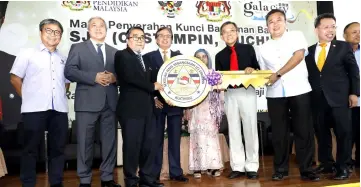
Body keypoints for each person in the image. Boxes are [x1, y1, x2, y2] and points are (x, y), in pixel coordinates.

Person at [258, 9, 319, 181]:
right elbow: (263, 73)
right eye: (271, 21)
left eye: (279, 20)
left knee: (303, 130)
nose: (275, 24)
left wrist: (277, 74)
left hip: (299, 89)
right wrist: (252, 73)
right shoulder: (262, 47)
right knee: (279, 133)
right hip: (275, 94)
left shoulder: (296, 36)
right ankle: (281, 169)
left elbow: (298, 56)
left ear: (285, 23)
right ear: (266, 26)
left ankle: (307, 169)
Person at [10, 19, 69, 187]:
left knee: (58, 149)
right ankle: (28, 183)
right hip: (34, 110)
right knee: (30, 149)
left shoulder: (63, 58)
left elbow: (66, 83)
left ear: (61, 36)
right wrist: (28, 97)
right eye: (49, 30)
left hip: (59, 109)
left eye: (57, 32)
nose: (53, 35)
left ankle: (56, 182)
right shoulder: (27, 53)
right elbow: (15, 78)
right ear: (41, 32)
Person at [64, 17, 120, 187]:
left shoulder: (115, 52)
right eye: (94, 26)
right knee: (85, 143)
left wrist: (114, 77)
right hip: (86, 103)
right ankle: (85, 180)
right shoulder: (78, 48)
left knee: (110, 143)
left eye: (101, 25)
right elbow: (69, 71)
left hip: (110, 104)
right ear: (88, 30)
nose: (98, 28)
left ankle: (107, 178)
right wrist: (93, 77)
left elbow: (123, 75)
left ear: (106, 29)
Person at [305, 14, 359, 180]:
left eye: (333, 26)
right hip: (317, 99)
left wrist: (354, 93)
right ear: (316, 29)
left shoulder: (343, 47)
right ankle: (326, 164)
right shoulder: (310, 50)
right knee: (322, 134)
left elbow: (353, 71)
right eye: (326, 27)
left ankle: (343, 167)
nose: (331, 30)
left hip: (339, 98)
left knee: (343, 133)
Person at [114, 26, 164, 187]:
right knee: (132, 146)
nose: (139, 40)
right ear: (127, 39)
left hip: (148, 109)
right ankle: (131, 180)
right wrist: (152, 87)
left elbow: (155, 81)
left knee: (148, 145)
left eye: (142, 37)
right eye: (135, 37)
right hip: (130, 110)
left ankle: (147, 179)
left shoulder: (145, 59)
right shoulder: (122, 55)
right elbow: (129, 77)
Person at [215, 21, 259, 180]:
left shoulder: (248, 49)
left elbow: (258, 69)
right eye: (225, 32)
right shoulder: (219, 55)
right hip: (230, 94)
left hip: (247, 91)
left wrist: (252, 70)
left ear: (237, 32)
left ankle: (252, 166)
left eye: (232, 30)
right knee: (233, 130)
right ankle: (238, 166)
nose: (229, 34)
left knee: (250, 128)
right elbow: (218, 79)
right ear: (222, 36)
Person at [144, 27, 189, 182]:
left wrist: (181, 99)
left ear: (172, 39)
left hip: (175, 105)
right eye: (161, 36)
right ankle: (154, 173)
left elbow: (185, 81)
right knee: (156, 140)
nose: (164, 38)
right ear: (156, 39)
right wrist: (153, 98)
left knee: (175, 140)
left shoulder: (180, 58)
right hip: (157, 105)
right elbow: (146, 81)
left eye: (168, 36)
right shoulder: (148, 57)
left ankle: (176, 172)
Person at [184, 49, 224, 178]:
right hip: (195, 110)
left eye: (204, 56)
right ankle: (197, 167)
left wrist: (218, 88)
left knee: (211, 138)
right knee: (197, 138)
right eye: (198, 57)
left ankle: (212, 167)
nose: (201, 59)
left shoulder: (214, 74)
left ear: (208, 59)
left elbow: (220, 93)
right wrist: (187, 109)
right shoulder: (190, 75)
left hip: (210, 110)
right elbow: (186, 95)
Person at [343, 22, 360, 169]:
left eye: (360, 32)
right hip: (345, 101)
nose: (358, 35)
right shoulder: (338, 52)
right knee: (347, 134)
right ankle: (346, 163)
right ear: (344, 35)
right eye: (354, 32)